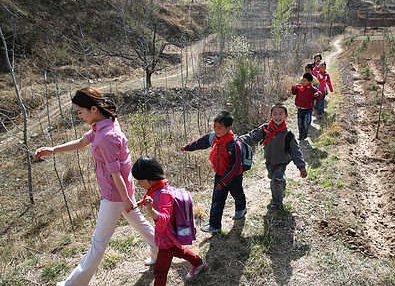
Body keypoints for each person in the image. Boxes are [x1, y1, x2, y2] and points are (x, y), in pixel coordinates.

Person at [35, 87, 158, 286]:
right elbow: (82, 141)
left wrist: (126, 200)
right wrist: (53, 150)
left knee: (98, 243)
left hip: (115, 194)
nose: (79, 116)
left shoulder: (107, 136)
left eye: (80, 112)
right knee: (139, 223)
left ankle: (72, 284)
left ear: (93, 108)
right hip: (121, 190)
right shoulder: (104, 123)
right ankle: (160, 248)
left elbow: (115, 172)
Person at [132, 156, 207, 285]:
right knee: (178, 251)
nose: (138, 183)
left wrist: (150, 210)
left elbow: (164, 219)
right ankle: (199, 263)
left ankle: (199, 263)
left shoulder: (164, 194)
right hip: (165, 237)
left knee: (160, 271)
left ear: (151, 178)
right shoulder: (155, 188)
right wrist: (141, 203)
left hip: (166, 237)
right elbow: (151, 198)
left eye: (140, 180)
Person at [181, 111, 246, 234]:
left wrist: (223, 182)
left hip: (234, 177)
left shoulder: (235, 144)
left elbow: (236, 166)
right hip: (219, 175)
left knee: (237, 194)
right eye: (215, 126)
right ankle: (215, 226)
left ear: (229, 128)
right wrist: (187, 147)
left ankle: (241, 208)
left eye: (220, 127)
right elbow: (200, 142)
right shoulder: (213, 137)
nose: (216, 130)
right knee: (217, 200)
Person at [239, 104, 307, 210]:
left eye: (281, 114)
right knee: (272, 176)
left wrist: (301, 166)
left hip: (282, 161)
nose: (277, 116)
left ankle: (277, 202)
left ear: (286, 116)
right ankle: (281, 181)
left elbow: (295, 151)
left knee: (275, 181)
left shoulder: (288, 134)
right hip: (269, 160)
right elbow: (252, 137)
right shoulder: (265, 128)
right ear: (271, 115)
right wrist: (238, 139)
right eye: (275, 114)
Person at [291, 73, 322, 140]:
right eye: (302, 80)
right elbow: (293, 92)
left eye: (304, 81)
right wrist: (293, 87)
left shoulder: (312, 89)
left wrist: (318, 94)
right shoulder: (299, 88)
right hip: (300, 109)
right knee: (300, 123)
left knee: (306, 123)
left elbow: (319, 94)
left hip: (308, 109)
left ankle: (305, 134)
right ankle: (300, 134)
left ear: (309, 82)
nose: (302, 82)